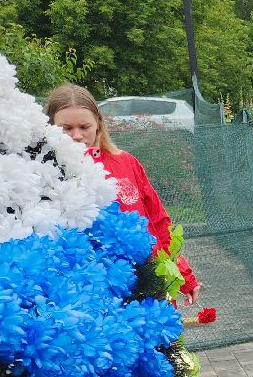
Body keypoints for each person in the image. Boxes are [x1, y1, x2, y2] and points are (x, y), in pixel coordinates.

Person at [45, 84, 200, 304]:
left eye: (84, 126)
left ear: (98, 124)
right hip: (82, 295)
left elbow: (157, 221)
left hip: (144, 286)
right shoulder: (42, 175)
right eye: (66, 128)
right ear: (49, 127)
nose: (77, 135)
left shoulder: (125, 163)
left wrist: (184, 275)